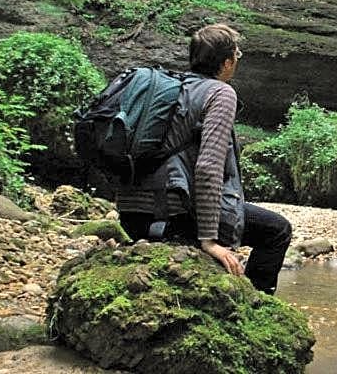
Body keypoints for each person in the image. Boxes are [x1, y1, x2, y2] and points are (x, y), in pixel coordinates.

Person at [117, 23, 292, 295]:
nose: (237, 60)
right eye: (237, 55)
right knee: (277, 230)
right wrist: (208, 241)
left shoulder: (174, 89)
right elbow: (209, 168)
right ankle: (257, 306)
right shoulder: (220, 93)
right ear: (226, 62)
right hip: (170, 218)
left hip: (132, 216)